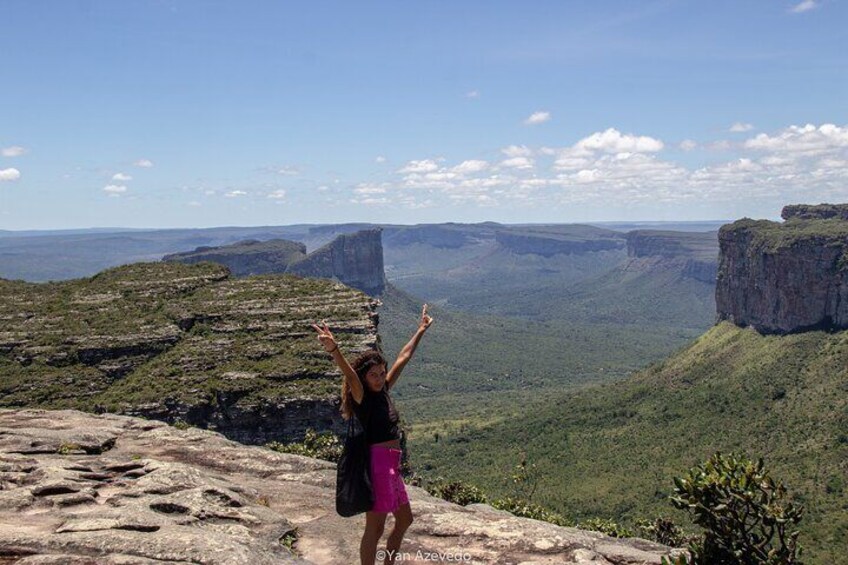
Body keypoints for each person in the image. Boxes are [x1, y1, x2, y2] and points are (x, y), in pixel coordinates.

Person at [312, 305, 434, 565]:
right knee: (375, 528)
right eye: (373, 375)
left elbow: (403, 357)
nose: (379, 379)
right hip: (378, 466)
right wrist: (334, 350)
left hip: (392, 466)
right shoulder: (362, 396)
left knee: (405, 520)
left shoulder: (385, 389)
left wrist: (420, 330)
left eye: (381, 373)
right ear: (364, 378)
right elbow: (349, 373)